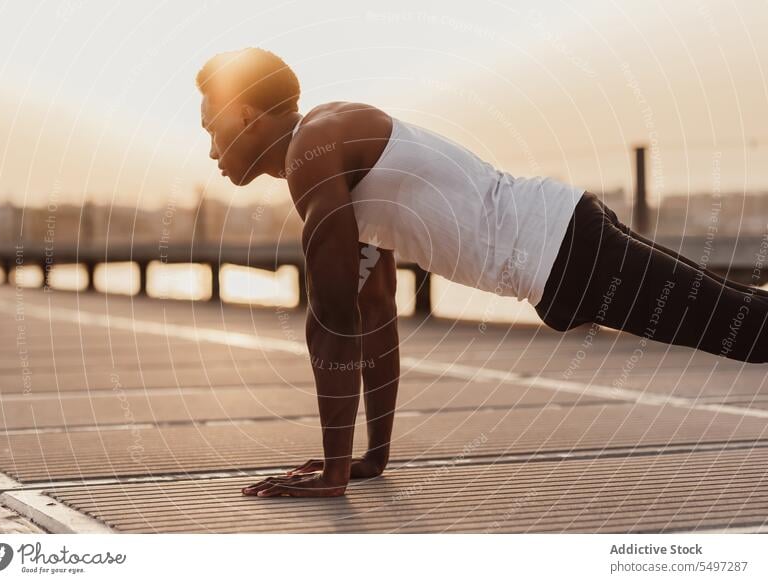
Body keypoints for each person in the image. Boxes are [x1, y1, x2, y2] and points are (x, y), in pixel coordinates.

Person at [196, 48, 768, 498]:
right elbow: (373, 313)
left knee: (752, 330)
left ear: (246, 114)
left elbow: (331, 315)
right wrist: (370, 456)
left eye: (211, 130)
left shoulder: (315, 148)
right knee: (749, 318)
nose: (213, 150)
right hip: (563, 250)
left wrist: (334, 473)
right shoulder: (332, 150)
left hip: (566, 252)